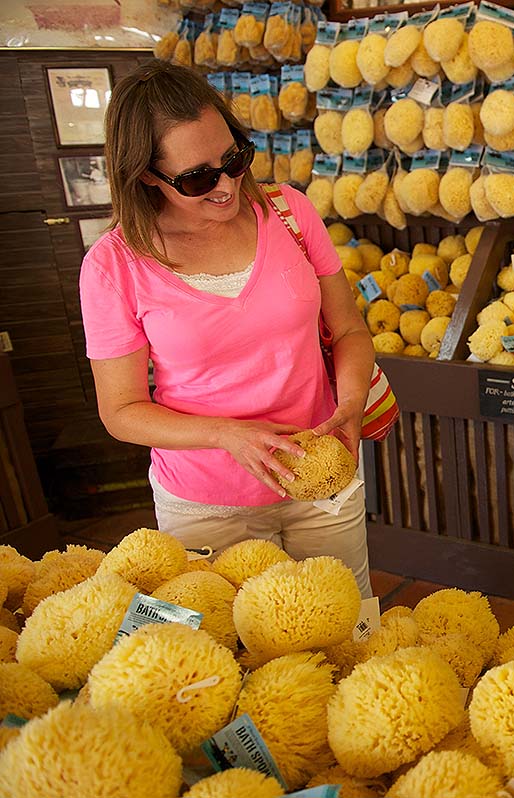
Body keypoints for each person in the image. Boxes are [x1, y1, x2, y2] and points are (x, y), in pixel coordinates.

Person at [79, 62, 375, 597]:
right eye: (198, 177)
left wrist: (350, 404)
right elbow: (120, 411)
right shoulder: (113, 266)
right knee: (230, 655)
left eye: (234, 158)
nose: (227, 184)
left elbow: (349, 330)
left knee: (348, 628)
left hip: (322, 477)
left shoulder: (289, 212)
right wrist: (224, 435)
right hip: (207, 505)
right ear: (147, 174)